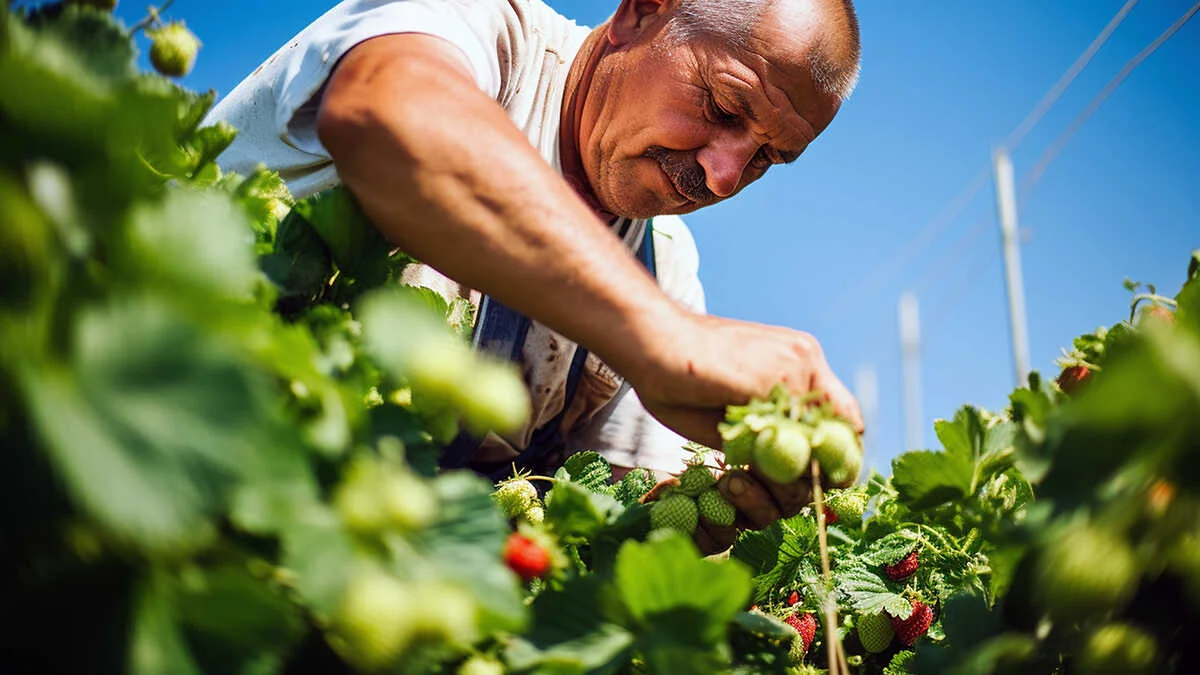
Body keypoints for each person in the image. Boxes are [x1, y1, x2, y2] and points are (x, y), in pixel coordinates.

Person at [207, 0, 864, 553]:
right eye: (724, 107)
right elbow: (384, 109)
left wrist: (679, 525)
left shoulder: (665, 263)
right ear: (641, 13)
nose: (724, 175)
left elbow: (596, 516)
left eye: (768, 158)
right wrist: (662, 337)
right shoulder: (477, 28)